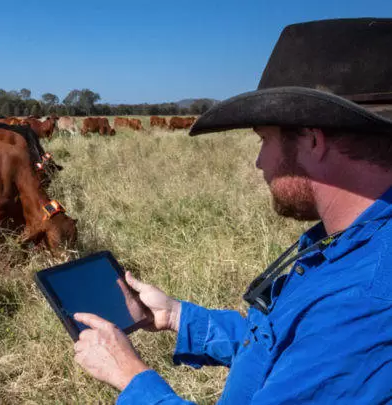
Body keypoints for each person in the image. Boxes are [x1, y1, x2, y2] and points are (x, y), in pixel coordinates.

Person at [72, 18, 392, 404]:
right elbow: (283, 345)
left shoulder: (366, 300)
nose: (259, 161)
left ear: (311, 140)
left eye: (264, 140)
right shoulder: (347, 239)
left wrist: (131, 378)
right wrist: (177, 316)